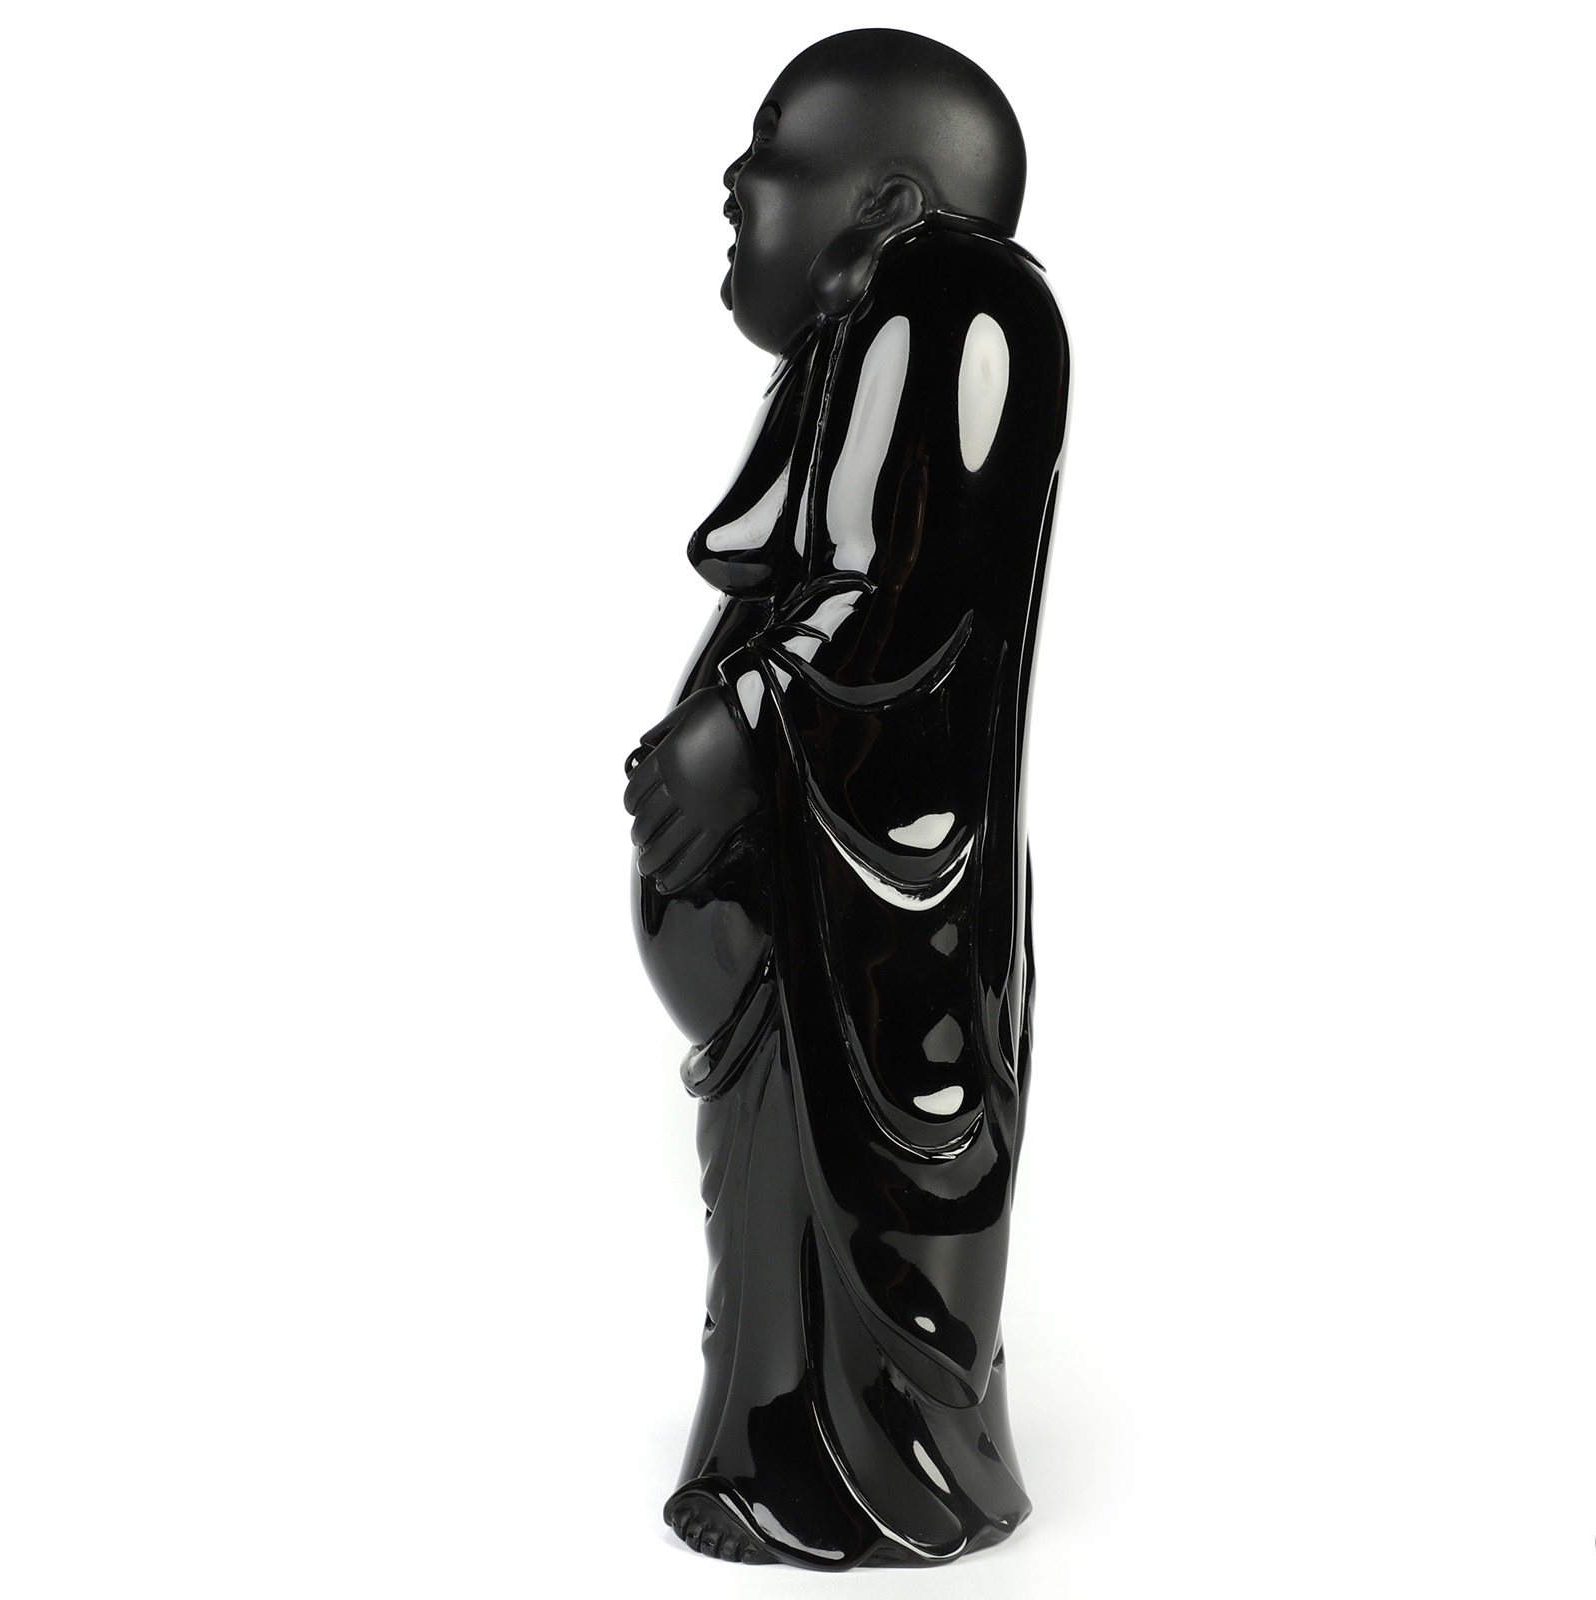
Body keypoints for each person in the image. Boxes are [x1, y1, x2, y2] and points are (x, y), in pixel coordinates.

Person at [623, 28, 1069, 1569]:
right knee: (775, 1165)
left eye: (775, 154)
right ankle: (777, 1441)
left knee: (868, 1156)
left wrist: (744, 727)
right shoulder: (855, 331)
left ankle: (886, 1472)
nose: (736, 182)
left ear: (883, 199)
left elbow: (908, 596)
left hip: (876, 883)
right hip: (792, 914)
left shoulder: (953, 297)